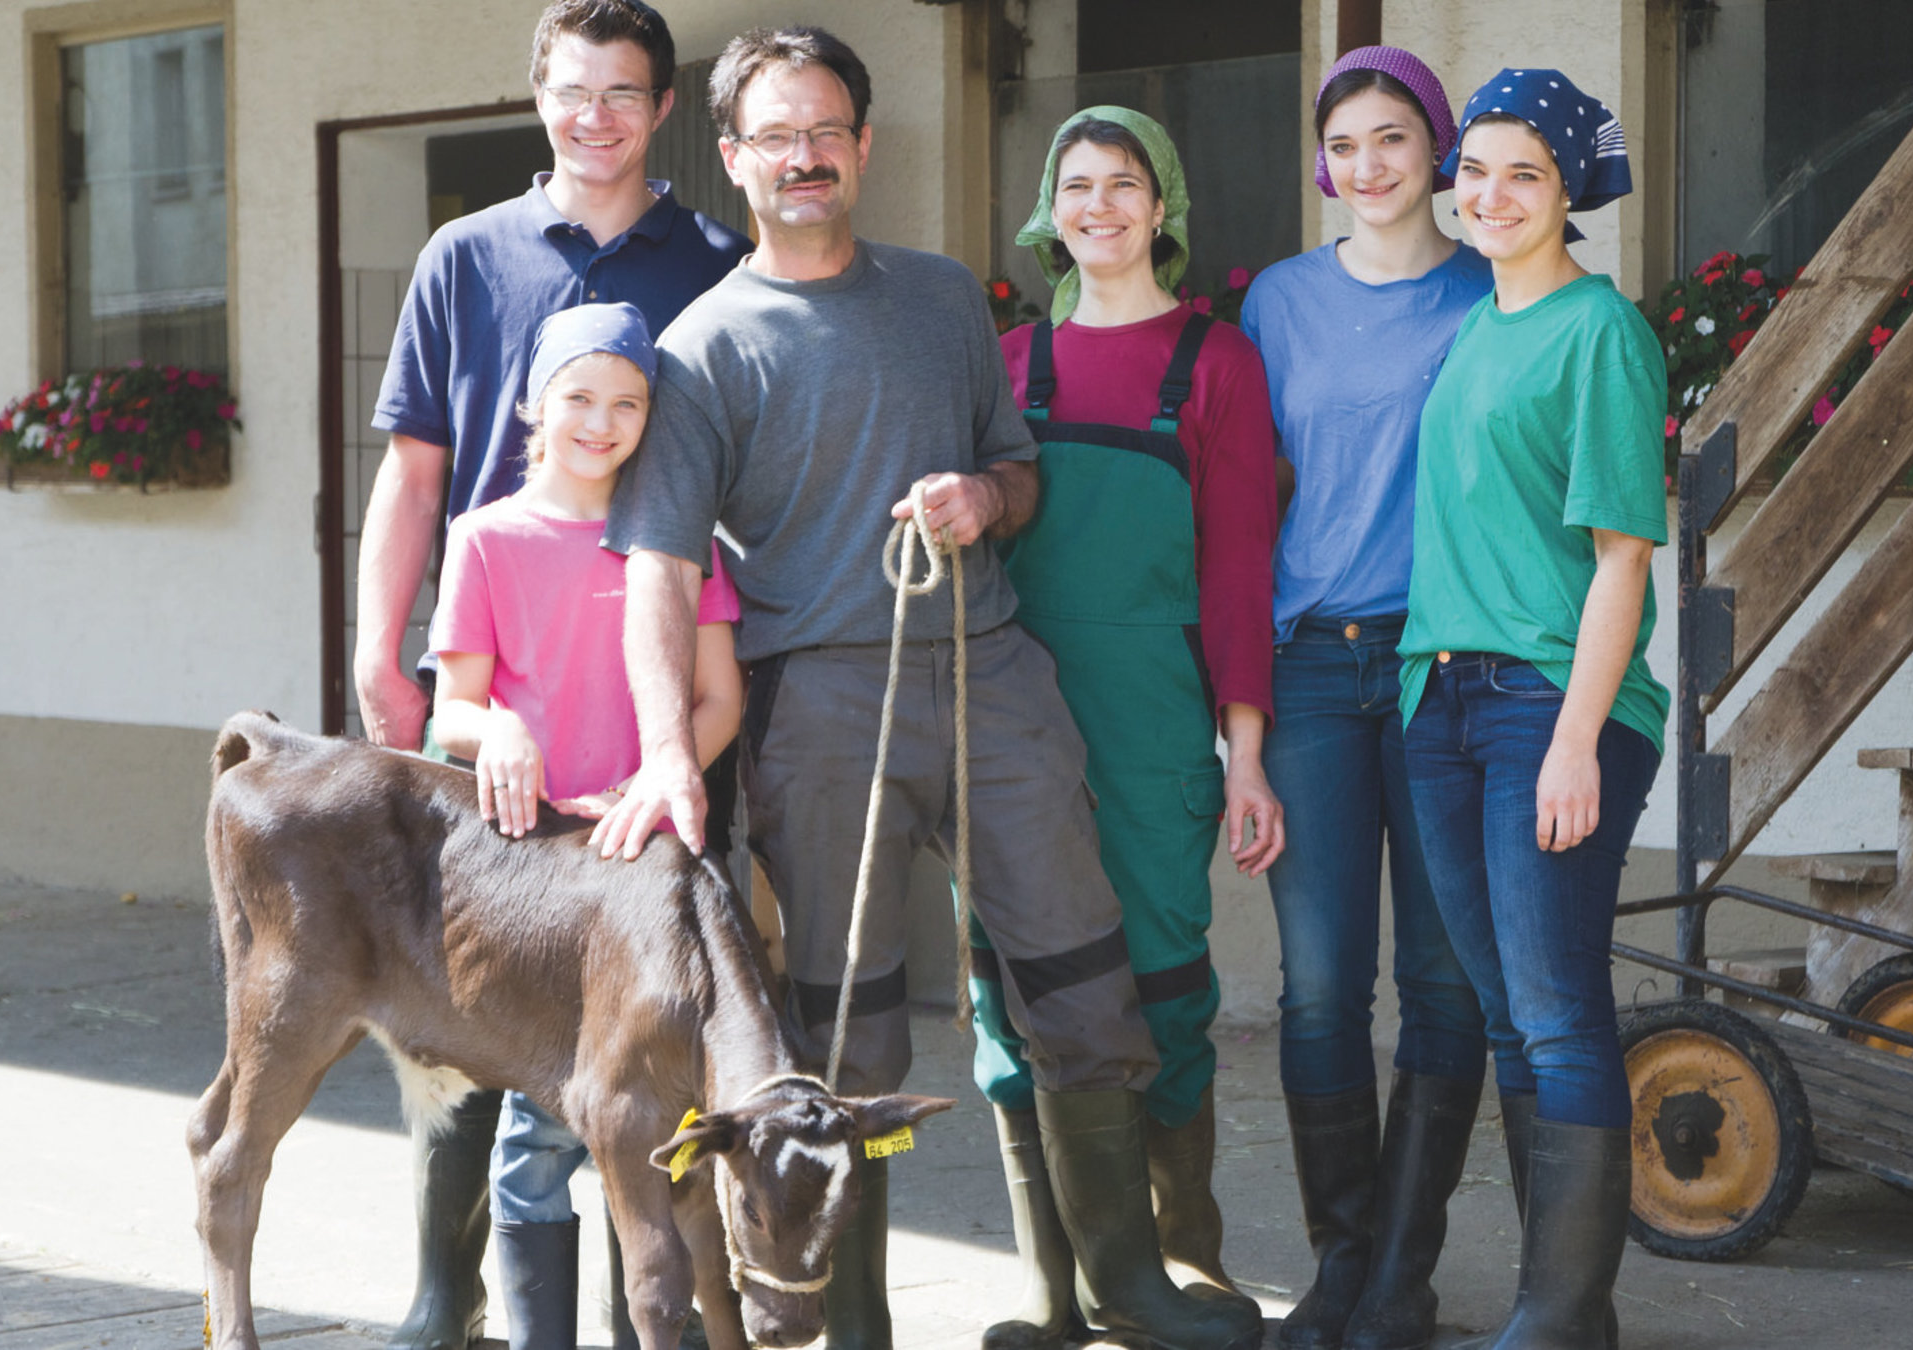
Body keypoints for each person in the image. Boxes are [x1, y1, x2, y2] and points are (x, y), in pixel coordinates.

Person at [588, 27, 1265, 1350]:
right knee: (850, 1041)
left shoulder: (947, 298)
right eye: (776, 135)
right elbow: (658, 570)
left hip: (995, 675)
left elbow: (1019, 476)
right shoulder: (702, 348)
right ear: (732, 158)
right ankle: (859, 1326)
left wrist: (980, 497)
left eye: (825, 129)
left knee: (1080, 983)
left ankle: (1120, 1287)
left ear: (863, 143)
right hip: (819, 706)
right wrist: (668, 751)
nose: (803, 154)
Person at [351, 2, 747, 1344]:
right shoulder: (465, 256)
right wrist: (379, 650)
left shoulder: (710, 261)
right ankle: (441, 1285)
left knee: (647, 1022)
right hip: (498, 681)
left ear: (662, 104)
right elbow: (411, 471)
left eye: (623, 92)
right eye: (573, 90)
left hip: (651, 703)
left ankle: (646, 1305)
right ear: (538, 98)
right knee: (466, 998)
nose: (596, 114)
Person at [974, 107, 1281, 1350]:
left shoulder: (1214, 364)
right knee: (1010, 983)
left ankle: (1179, 1263)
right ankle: (1056, 1284)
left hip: (1154, 722)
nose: (1098, 206)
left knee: (1161, 979)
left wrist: (1244, 749)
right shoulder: (1001, 366)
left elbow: (1240, 568)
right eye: (1077, 186)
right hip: (1007, 724)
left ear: (1165, 210)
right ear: (1051, 211)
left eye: (1124, 185)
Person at [1400, 70, 1666, 1350]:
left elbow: (1622, 556)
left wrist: (1572, 739)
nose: (1488, 194)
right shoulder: (1472, 328)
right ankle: (1552, 1310)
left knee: (1557, 1008)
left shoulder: (1598, 330)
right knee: (1506, 1011)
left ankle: (1561, 1319)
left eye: (1523, 173)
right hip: (1441, 700)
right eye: (1475, 168)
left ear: (1570, 194)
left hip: (1552, 707)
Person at [1237, 46, 1494, 1350]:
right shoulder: (1275, 303)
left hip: (1446, 669)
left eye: (1392, 138)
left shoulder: (1490, 292)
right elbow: (1234, 505)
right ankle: (1339, 1259)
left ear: (1436, 152)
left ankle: (1402, 1266)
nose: (1366, 166)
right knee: (1321, 982)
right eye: (1343, 144)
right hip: (1310, 669)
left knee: (1443, 980)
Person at [427, 303, 744, 1349]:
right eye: (579, 398)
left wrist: (662, 776)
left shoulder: (679, 539)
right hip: (537, 877)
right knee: (541, 1123)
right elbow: (451, 708)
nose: (601, 422)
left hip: (649, 862)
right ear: (533, 404)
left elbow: (718, 700)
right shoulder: (484, 540)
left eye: (627, 403)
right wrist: (499, 730)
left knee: (663, 1106)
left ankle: (659, 1327)